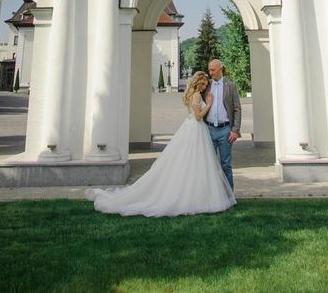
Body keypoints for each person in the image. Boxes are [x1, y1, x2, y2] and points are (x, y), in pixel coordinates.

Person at [88, 70, 235, 217]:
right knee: (194, 162)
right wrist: (209, 104)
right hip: (196, 129)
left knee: (195, 163)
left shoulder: (192, 94)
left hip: (194, 129)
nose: (204, 87)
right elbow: (197, 116)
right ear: (198, 83)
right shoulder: (196, 95)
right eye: (203, 84)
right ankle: (197, 196)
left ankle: (200, 194)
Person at [204, 58, 241, 189]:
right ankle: (212, 196)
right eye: (209, 70)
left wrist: (235, 130)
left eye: (212, 70)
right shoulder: (206, 86)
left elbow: (237, 108)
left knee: (225, 164)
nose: (210, 72)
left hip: (225, 131)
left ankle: (229, 196)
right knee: (209, 164)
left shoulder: (230, 85)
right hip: (208, 130)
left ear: (220, 69)